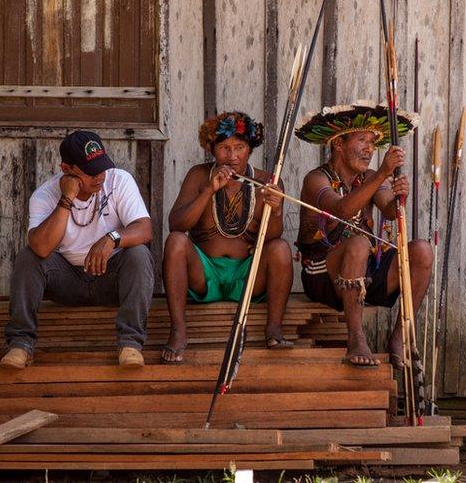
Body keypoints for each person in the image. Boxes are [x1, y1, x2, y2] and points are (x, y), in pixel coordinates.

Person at [294, 101, 431, 368]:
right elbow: (343, 209)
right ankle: (356, 338)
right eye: (362, 140)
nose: (369, 149)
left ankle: (399, 339)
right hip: (322, 273)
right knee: (357, 243)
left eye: (373, 142)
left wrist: (400, 196)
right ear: (338, 145)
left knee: (422, 251)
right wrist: (382, 174)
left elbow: (390, 211)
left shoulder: (369, 176)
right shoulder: (316, 179)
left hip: (364, 269)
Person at [1, 131, 154, 369]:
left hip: (109, 278)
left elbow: (144, 229)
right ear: (66, 168)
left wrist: (112, 238)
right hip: (67, 282)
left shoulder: (118, 180)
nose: (100, 176)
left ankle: (130, 344)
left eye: (102, 167)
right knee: (28, 256)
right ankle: (20, 344)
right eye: (90, 171)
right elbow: (41, 248)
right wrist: (67, 198)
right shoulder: (45, 195)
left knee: (139, 254)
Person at [160, 112, 292, 364]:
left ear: (250, 149)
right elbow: (176, 224)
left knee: (281, 248)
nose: (232, 156)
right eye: (224, 148)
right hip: (205, 274)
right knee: (176, 242)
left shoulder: (267, 181)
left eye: (239, 147)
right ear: (212, 149)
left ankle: (274, 328)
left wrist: (274, 210)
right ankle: (178, 330)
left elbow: (272, 238)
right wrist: (209, 189)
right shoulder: (199, 175)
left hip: (247, 276)